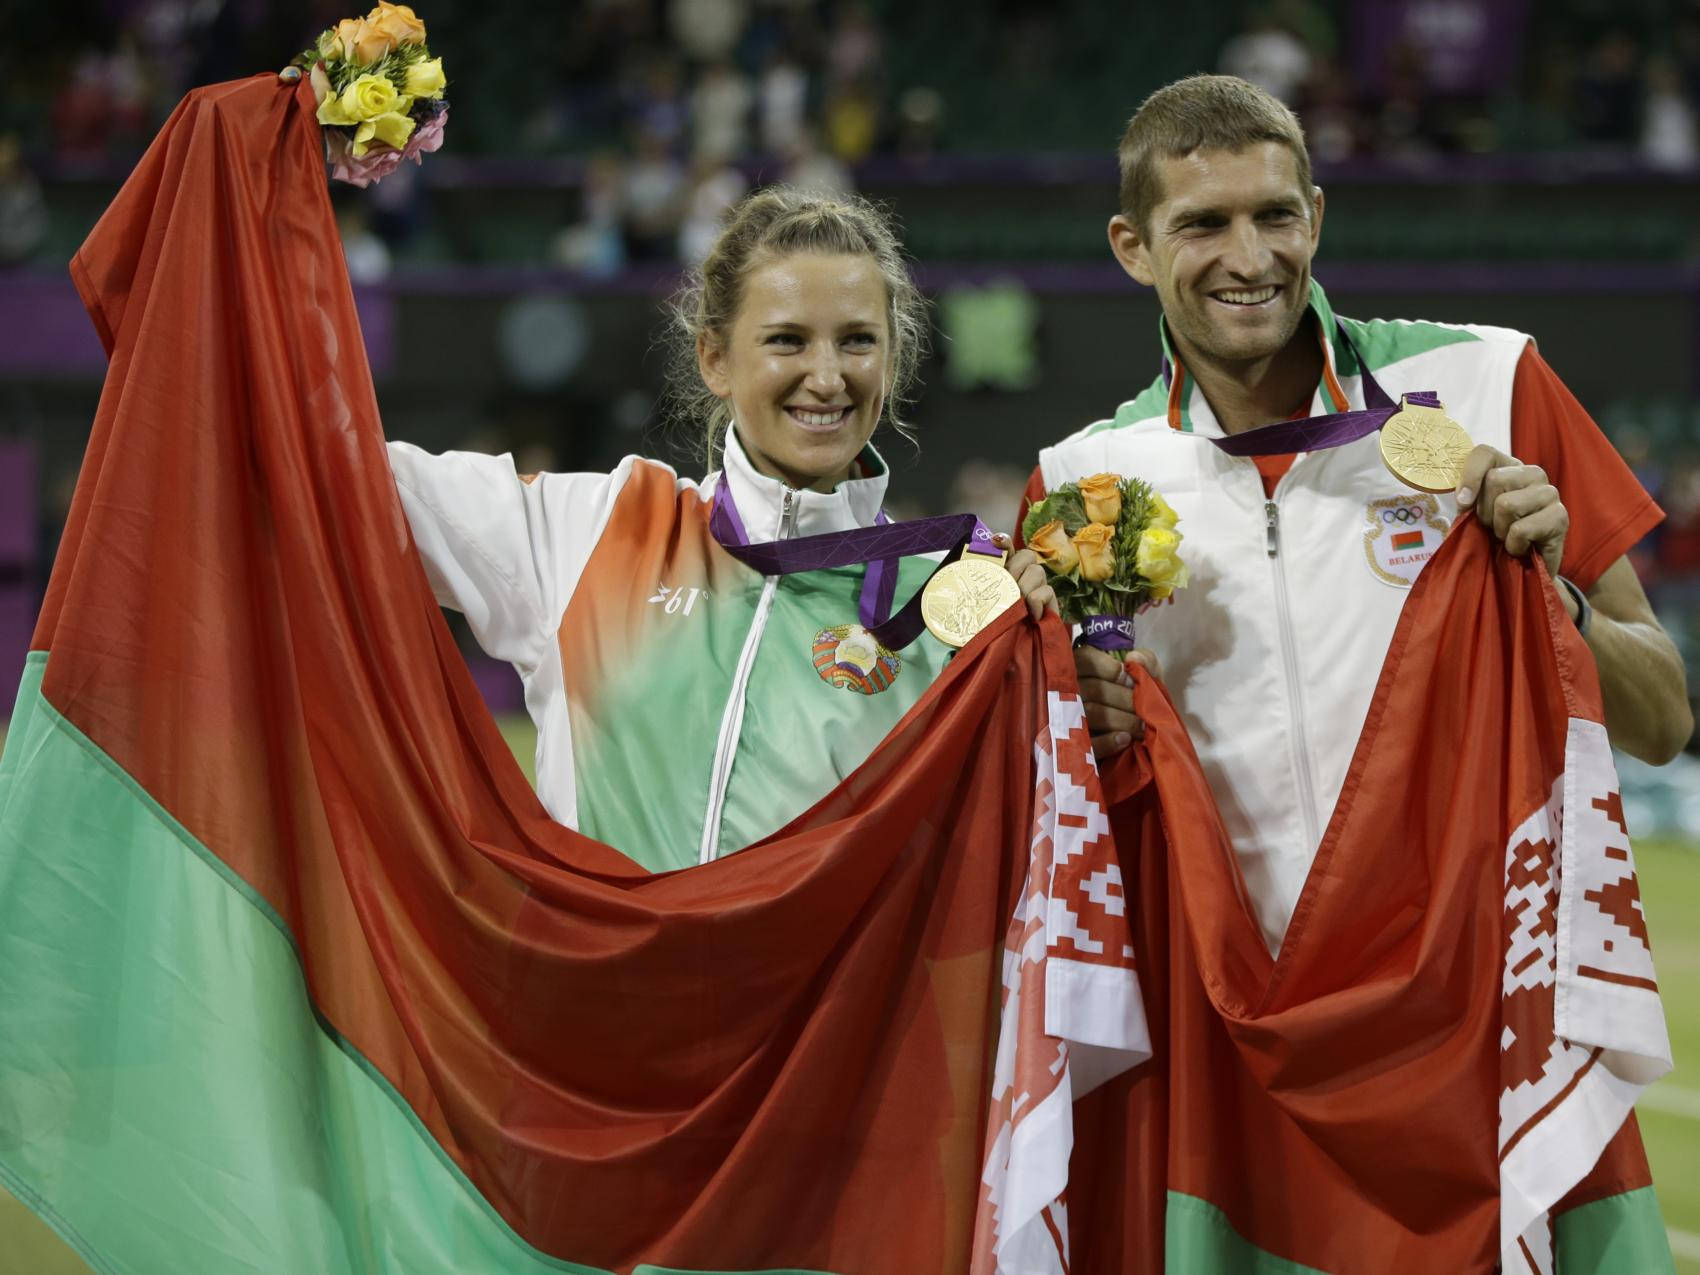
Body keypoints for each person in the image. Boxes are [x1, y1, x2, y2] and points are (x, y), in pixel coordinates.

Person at [1009, 74, 1692, 954]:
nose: (1251, 258)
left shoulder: (1494, 382)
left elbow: (1664, 720)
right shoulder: (1080, 483)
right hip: (1223, 1014)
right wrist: (1073, 723)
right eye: (1204, 224)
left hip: (1464, 992)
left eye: (1276, 216)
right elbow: (1047, 802)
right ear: (1133, 247)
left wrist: (1558, 607)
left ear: (1317, 218)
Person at [389, 188, 1028, 872]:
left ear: (891, 359)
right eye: (787, 339)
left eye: (857, 341)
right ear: (714, 358)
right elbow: (327, 471)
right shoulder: (594, 527)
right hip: (596, 979)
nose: (826, 375)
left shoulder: (951, 601)